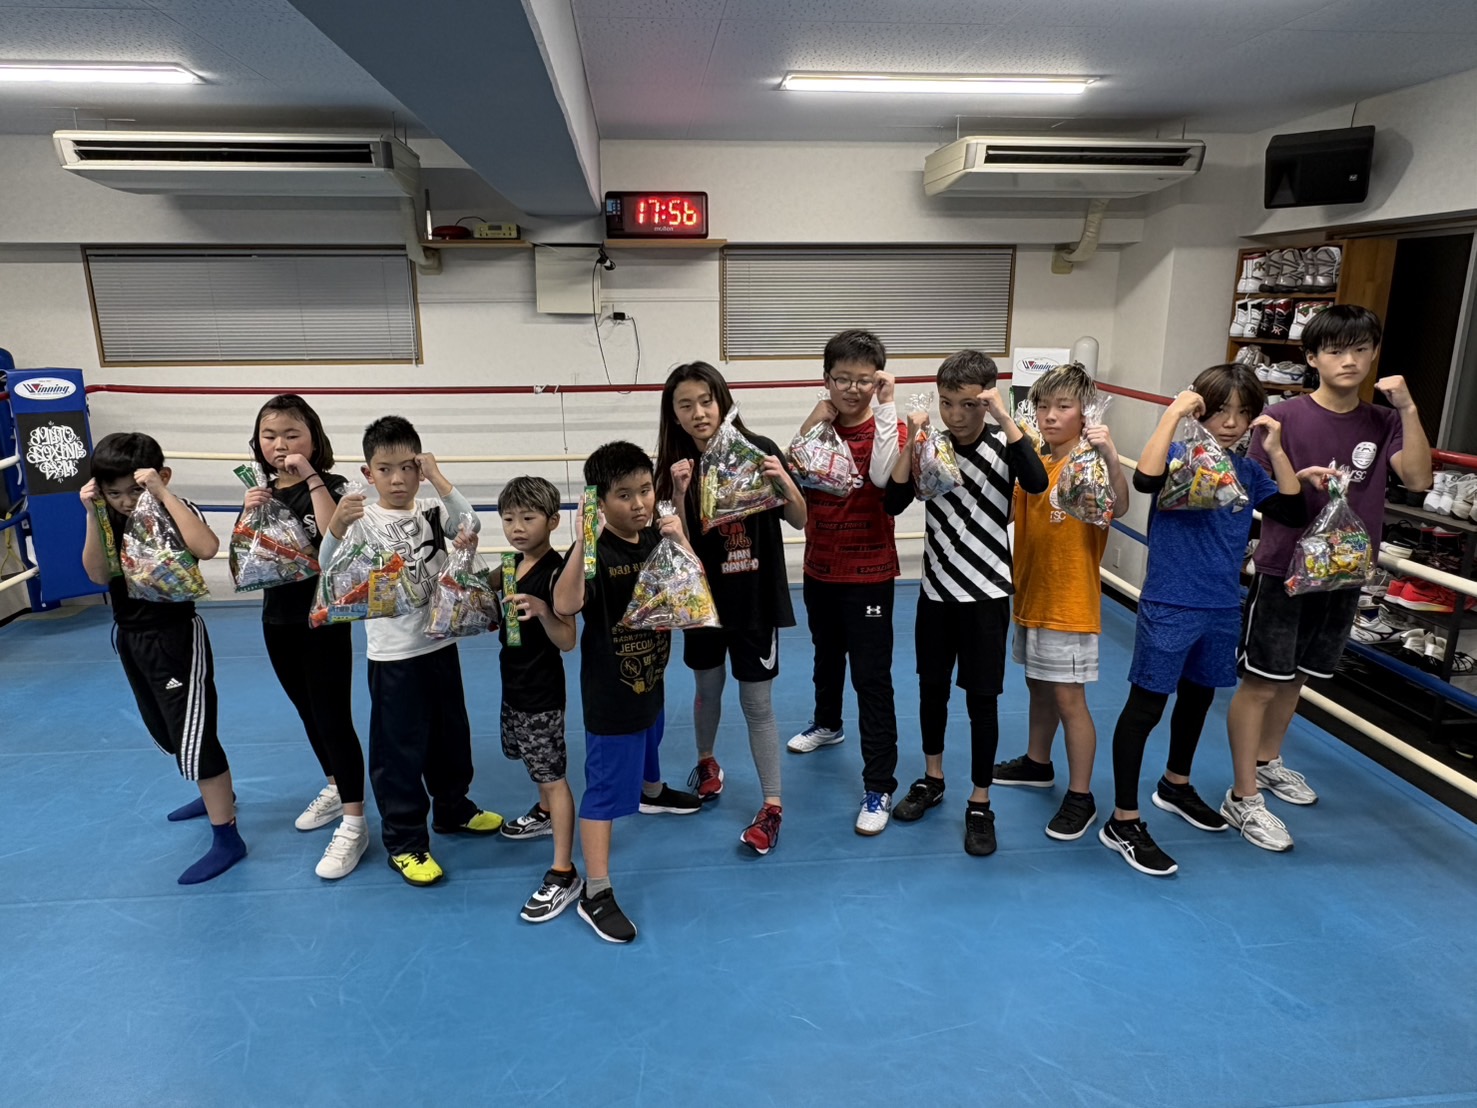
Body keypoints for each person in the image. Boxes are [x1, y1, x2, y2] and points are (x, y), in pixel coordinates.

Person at [1225, 306, 1431, 849]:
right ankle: (1243, 795)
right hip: (1284, 569)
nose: (1350, 360)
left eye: (1361, 349)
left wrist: (1408, 407)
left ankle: (1268, 761)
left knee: (1297, 677)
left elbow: (1417, 478)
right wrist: (1297, 474)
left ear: (1374, 354)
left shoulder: (1384, 421)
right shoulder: (1283, 417)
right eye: (1336, 350)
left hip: (1343, 573)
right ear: (1312, 357)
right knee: (1261, 681)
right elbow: (1252, 490)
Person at [1102, 365, 1309, 876]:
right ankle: (1123, 819)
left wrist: (1277, 449)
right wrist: (1174, 413)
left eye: (1243, 413)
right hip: (1171, 602)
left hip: (1221, 605)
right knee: (1146, 707)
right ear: (1201, 411)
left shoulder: (1247, 472)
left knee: (1197, 700)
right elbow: (1145, 480)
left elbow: (1292, 511)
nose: (1231, 423)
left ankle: (1175, 784)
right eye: (1220, 411)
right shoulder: (1179, 457)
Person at [317, 416, 502, 887]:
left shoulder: (433, 512)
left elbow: (469, 523)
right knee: (399, 750)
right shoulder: (361, 517)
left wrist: (438, 478)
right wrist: (336, 525)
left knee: (450, 736)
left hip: (440, 643)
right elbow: (328, 567)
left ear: (419, 468)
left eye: (407, 468)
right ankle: (404, 842)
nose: (397, 479)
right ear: (368, 473)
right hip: (393, 657)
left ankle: (453, 808)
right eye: (385, 469)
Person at [883, 350, 1048, 856]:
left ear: (987, 400)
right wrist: (912, 438)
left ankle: (980, 800)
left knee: (982, 700)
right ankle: (933, 778)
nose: (956, 415)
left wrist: (1004, 416)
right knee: (931, 690)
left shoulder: (1005, 443)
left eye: (969, 405)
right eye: (947, 403)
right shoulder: (932, 446)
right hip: (936, 591)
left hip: (987, 593)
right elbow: (893, 502)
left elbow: (1037, 482)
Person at [79, 432, 246, 885]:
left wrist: (161, 494)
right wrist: (93, 513)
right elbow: (97, 574)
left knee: (195, 734)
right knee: (168, 730)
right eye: (113, 493)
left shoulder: (174, 508)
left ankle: (227, 835)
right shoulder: (108, 517)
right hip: (130, 637)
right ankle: (217, 795)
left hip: (175, 637)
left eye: (132, 491)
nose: (125, 501)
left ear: (159, 476)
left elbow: (206, 548)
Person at [655, 361, 807, 855]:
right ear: (674, 415)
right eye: (686, 405)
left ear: (722, 401)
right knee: (707, 689)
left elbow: (800, 519)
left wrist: (784, 480)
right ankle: (707, 760)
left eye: (706, 401)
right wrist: (679, 493)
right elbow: (677, 544)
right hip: (702, 603)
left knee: (757, 704)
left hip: (755, 601)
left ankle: (772, 806)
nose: (698, 413)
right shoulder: (673, 466)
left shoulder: (758, 450)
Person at [553, 441, 701, 943]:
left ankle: (652, 792)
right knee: (604, 791)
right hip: (611, 697)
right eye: (624, 495)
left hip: (650, 676)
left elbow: (692, 589)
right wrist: (583, 541)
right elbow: (565, 604)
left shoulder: (655, 536)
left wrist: (679, 530)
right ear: (599, 501)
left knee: (652, 733)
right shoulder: (597, 550)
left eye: (644, 490)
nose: (639, 504)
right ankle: (595, 891)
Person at [992, 363, 1131, 842]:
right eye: (1043, 406)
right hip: (1032, 594)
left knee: (1070, 699)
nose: (1050, 416)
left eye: (1063, 407)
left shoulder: (1087, 465)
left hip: (1069, 603)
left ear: (1085, 413)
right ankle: (1037, 762)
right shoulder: (1038, 461)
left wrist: (1110, 456)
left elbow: (1119, 505)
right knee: (1038, 685)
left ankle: (1081, 795)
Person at [787, 329, 908, 836]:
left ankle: (879, 785)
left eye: (863, 380)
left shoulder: (890, 429)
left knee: (872, 678)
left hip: (870, 575)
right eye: (843, 379)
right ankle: (828, 723)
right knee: (825, 652)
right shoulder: (818, 428)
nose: (852, 389)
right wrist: (809, 424)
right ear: (827, 379)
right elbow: (790, 478)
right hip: (820, 566)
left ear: (877, 381)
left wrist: (888, 406)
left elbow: (885, 481)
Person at [242, 394, 367, 880]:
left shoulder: (332, 485)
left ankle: (355, 822)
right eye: (270, 436)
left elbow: (335, 538)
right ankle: (336, 786)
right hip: (276, 619)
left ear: (313, 439)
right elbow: (251, 559)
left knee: (333, 716)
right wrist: (249, 513)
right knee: (307, 712)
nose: (280, 445)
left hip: (322, 619)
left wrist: (311, 476)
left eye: (292, 434)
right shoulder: (261, 491)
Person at [493, 476, 581, 923]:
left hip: (541, 693)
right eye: (509, 519)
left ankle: (564, 871)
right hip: (513, 684)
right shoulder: (510, 563)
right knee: (530, 761)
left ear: (552, 521)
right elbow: (483, 592)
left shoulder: (557, 572)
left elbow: (568, 640)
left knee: (553, 776)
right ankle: (544, 812)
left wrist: (544, 611)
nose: (517, 528)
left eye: (528, 518)